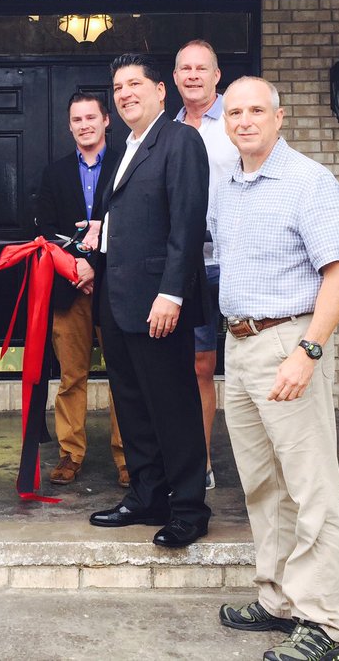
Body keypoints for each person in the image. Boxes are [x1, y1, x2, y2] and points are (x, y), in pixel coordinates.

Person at [213, 76, 339, 661]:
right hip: (240, 346)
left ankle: (322, 623)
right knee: (262, 483)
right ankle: (276, 599)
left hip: (288, 344)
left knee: (311, 485)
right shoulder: (228, 186)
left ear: (280, 117)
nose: (244, 120)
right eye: (234, 113)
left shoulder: (309, 181)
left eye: (256, 110)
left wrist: (309, 350)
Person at [87, 54, 211, 548]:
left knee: (173, 407)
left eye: (134, 83)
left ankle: (188, 508)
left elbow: (186, 223)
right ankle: (146, 495)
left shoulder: (180, 140)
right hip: (117, 301)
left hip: (159, 302)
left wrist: (172, 292)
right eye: (117, 86)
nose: (124, 93)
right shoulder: (124, 149)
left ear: (162, 90)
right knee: (133, 405)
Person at [32, 92, 127, 487]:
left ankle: (128, 457)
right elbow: (45, 231)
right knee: (72, 376)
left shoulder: (127, 165)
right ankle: (71, 454)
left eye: (92, 117)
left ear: (107, 121)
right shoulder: (54, 174)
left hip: (117, 287)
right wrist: (77, 268)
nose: (84, 124)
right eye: (77, 119)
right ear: (69, 125)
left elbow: (134, 224)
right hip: (69, 288)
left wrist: (95, 265)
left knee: (125, 376)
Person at [172, 39, 240, 490]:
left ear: (217, 76)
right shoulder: (168, 129)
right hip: (191, 264)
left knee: (250, 361)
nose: (193, 75)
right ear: (174, 79)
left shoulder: (236, 121)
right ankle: (201, 462)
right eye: (185, 69)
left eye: (202, 68)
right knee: (196, 364)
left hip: (236, 262)